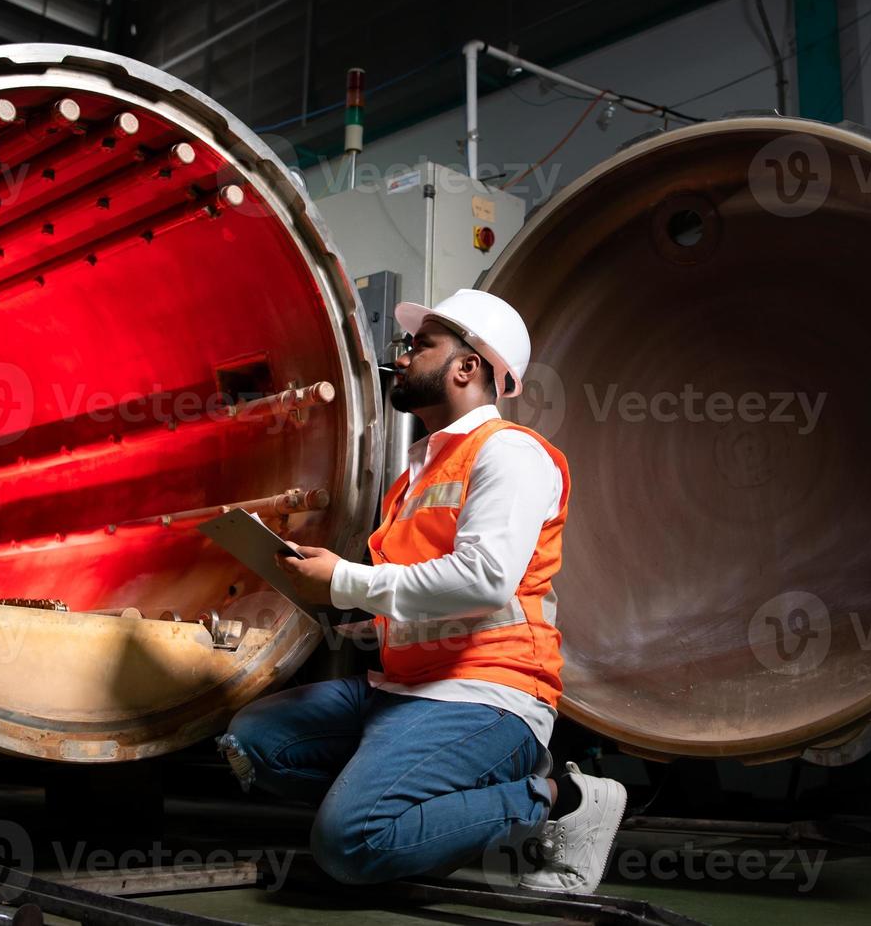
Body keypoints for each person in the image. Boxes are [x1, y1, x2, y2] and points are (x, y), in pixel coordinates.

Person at [215, 289, 627, 893]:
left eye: (420, 344)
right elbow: (423, 591)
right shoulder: (421, 472)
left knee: (349, 844)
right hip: (403, 688)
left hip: (488, 693)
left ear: (467, 368)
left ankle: (561, 798)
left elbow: (485, 579)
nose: (402, 356)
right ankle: (424, 810)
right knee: (252, 744)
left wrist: (346, 581)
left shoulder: (508, 454)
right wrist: (375, 624)